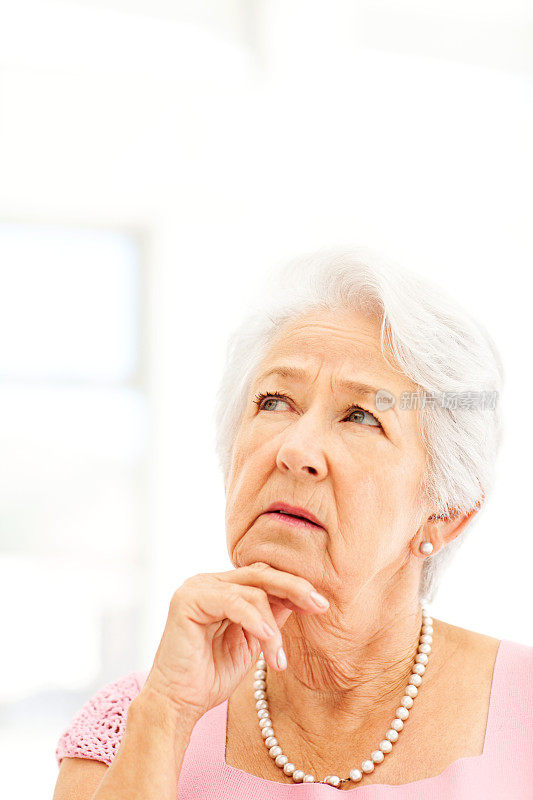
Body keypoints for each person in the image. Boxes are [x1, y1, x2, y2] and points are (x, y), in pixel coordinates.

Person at [52, 247, 533, 799]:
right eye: (275, 402)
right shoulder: (133, 724)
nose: (295, 448)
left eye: (361, 416)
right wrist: (167, 713)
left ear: (445, 515)